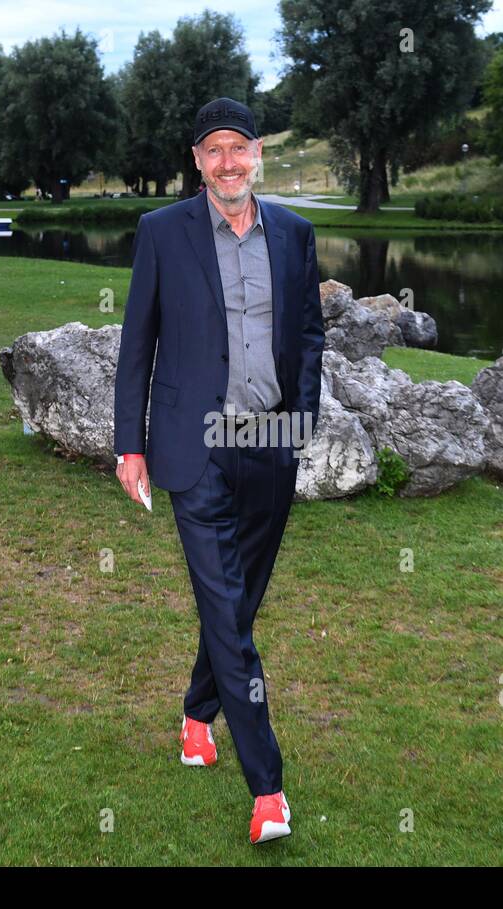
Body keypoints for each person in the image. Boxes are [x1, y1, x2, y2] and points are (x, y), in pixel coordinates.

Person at [113, 96, 325, 845]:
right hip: (191, 445)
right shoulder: (162, 232)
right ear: (197, 162)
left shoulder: (295, 235)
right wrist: (128, 443)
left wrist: (300, 425)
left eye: (239, 148)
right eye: (213, 151)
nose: (227, 162)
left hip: (271, 443)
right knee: (228, 609)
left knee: (238, 603)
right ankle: (268, 788)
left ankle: (197, 715)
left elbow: (308, 333)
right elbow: (137, 341)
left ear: (257, 154)